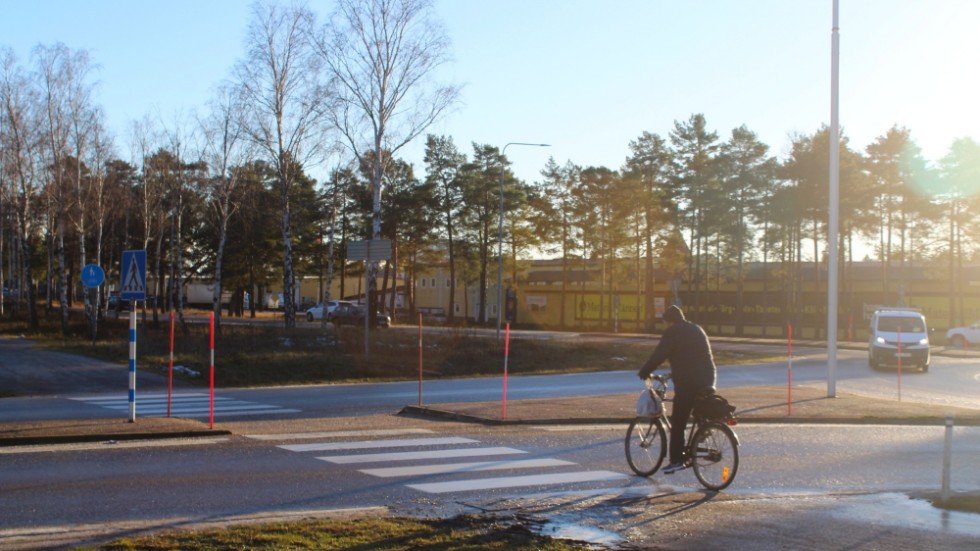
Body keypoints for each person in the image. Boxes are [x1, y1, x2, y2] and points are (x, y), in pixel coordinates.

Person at [637, 305, 717, 474]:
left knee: (679, 421)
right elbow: (691, 357)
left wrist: (645, 371)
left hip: (689, 381)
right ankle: (704, 430)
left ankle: (676, 460)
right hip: (708, 378)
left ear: (670, 321)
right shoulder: (696, 328)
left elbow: (660, 353)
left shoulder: (673, 331)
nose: (666, 326)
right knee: (698, 409)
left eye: (666, 323)